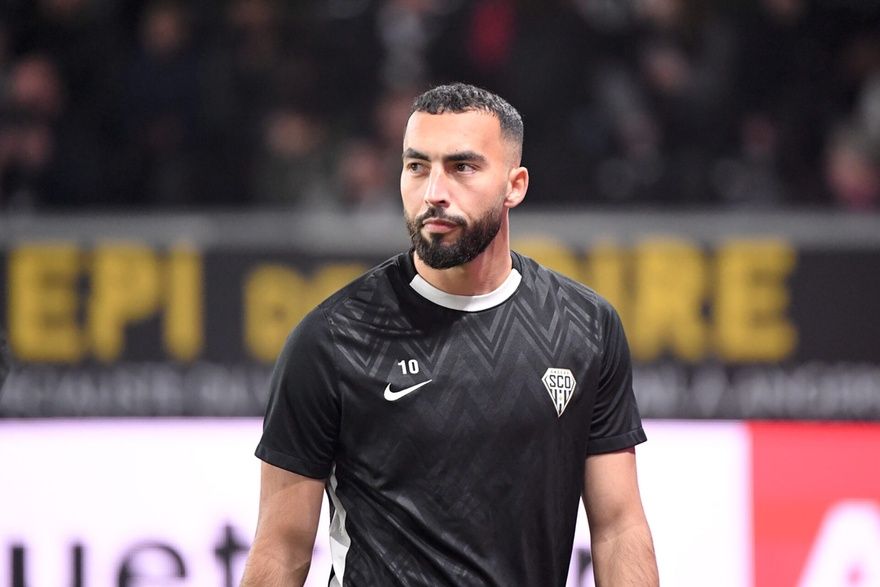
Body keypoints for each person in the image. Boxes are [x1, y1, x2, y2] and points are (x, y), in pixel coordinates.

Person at [240, 82, 658, 586]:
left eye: (462, 167)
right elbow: (281, 547)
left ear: (515, 185)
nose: (434, 192)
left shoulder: (584, 327)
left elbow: (618, 528)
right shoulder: (332, 339)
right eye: (417, 166)